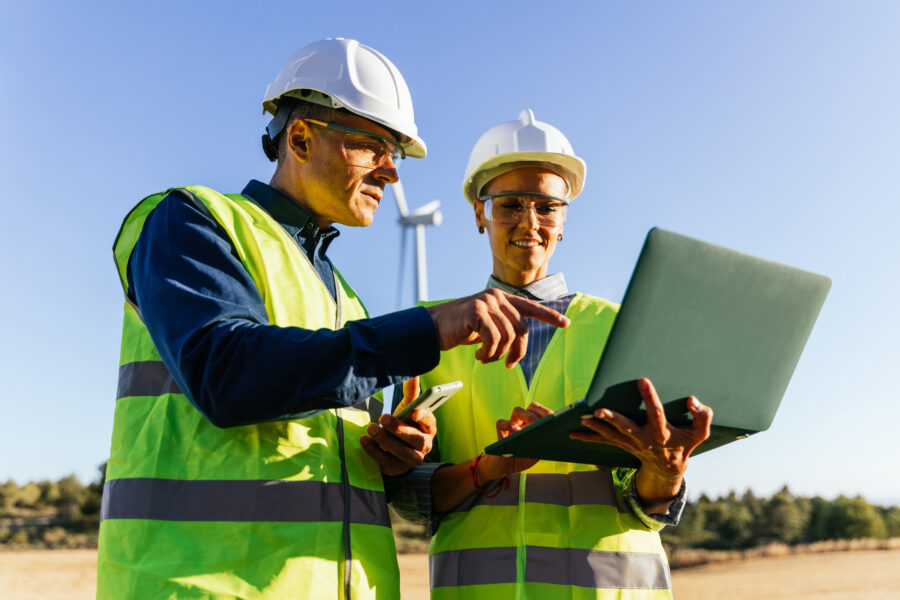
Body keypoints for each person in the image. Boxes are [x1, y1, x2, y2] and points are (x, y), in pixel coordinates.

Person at [97, 41, 569, 600]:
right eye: (374, 147)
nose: (392, 174)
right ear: (299, 138)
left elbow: (311, 436)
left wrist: (394, 454)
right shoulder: (193, 222)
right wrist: (428, 328)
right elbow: (225, 373)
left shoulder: (346, 300)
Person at [396, 109, 713, 599]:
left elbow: (644, 499)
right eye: (510, 204)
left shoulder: (621, 326)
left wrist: (665, 474)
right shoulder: (428, 331)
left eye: (547, 206)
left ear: (564, 220)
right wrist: (489, 466)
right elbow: (416, 496)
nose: (530, 221)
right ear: (479, 212)